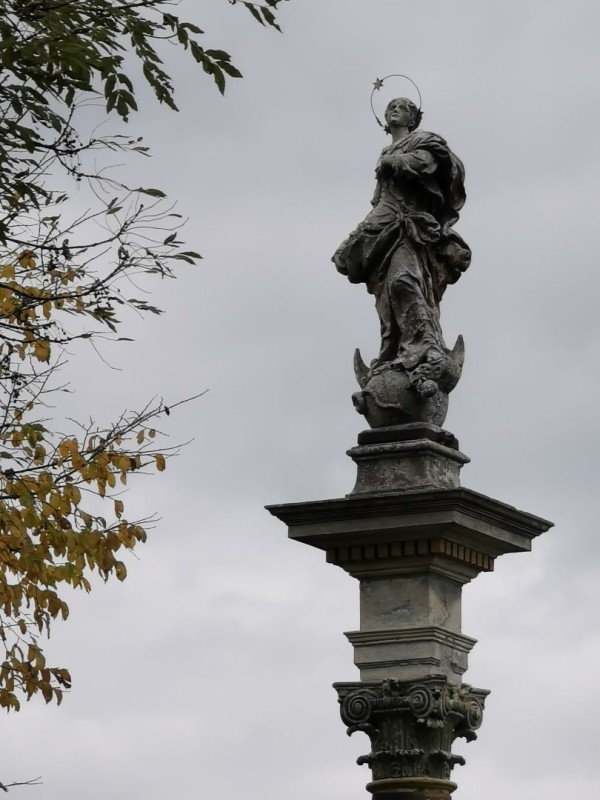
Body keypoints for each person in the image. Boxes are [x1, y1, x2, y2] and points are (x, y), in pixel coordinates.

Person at [332, 97, 470, 398]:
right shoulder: (384, 152)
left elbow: (429, 163)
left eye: (403, 107)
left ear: (413, 118)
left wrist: (397, 162)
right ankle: (396, 351)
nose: (395, 110)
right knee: (387, 299)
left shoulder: (423, 141)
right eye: (390, 107)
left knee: (404, 282)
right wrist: (357, 238)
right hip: (385, 223)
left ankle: (427, 348)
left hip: (411, 227)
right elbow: (380, 200)